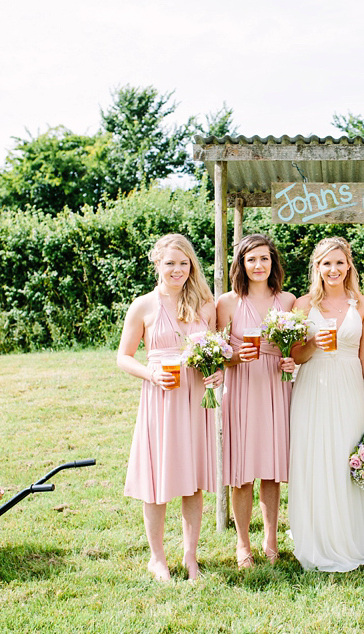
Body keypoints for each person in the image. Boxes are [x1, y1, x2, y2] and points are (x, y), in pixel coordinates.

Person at [118, 233, 223, 582]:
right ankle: (157, 558)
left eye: (183, 263)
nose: (177, 269)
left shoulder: (205, 305)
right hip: (160, 397)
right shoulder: (143, 305)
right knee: (157, 479)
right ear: (157, 264)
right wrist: (150, 373)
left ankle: (191, 557)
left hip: (194, 397)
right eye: (170, 263)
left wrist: (216, 371)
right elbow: (123, 357)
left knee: (192, 481)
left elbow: (215, 352)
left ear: (191, 264)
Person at [288, 237, 364, 572]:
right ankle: (316, 537)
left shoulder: (362, 305)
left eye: (339, 263)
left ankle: (351, 537)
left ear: (349, 266)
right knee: (316, 458)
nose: (333, 270)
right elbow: (295, 356)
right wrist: (312, 344)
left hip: (348, 387)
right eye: (326, 264)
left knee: (343, 459)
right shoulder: (303, 305)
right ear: (317, 268)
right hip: (312, 388)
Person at [216, 234, 296, 569]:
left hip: (276, 386)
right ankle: (242, 544)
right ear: (241, 264)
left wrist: (293, 359)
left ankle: (271, 540)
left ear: (273, 262)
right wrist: (235, 355)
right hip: (243, 386)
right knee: (242, 472)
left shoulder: (289, 301)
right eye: (251, 260)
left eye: (264, 259)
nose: (258, 265)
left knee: (272, 470)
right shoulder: (228, 303)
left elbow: (298, 346)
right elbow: (218, 354)